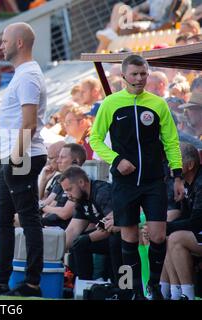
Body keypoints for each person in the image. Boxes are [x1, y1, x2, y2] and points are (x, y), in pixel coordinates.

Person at [89, 54, 185, 300]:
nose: (140, 78)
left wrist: (177, 175)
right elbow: (95, 140)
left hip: (154, 180)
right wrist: (117, 160)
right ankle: (132, 291)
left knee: (158, 235)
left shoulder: (158, 104)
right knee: (129, 237)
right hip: (124, 183)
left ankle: (153, 285)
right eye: (134, 74)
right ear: (123, 76)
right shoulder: (110, 103)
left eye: (143, 74)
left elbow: (172, 141)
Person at [0, 22, 47, 297]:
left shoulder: (28, 76)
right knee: (2, 218)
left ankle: (32, 283)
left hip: (23, 157)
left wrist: (15, 158)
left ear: (19, 43)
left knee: (28, 220)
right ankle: (2, 280)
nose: (0, 46)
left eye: (4, 41)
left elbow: (29, 124)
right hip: (14, 157)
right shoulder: (22, 75)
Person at [60, 166, 123, 285]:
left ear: (81, 182)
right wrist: (55, 255)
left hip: (120, 234)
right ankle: (83, 285)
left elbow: (111, 223)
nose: (68, 195)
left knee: (112, 240)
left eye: (69, 189)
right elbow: (72, 231)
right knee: (77, 243)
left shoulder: (101, 191)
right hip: (105, 234)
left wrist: (88, 238)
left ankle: (118, 287)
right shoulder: (81, 199)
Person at [160, 142, 202, 300]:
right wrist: (164, 229)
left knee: (175, 238)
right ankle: (168, 293)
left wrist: (166, 227)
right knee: (167, 238)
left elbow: (196, 222)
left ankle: (187, 295)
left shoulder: (200, 183)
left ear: (190, 165)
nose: (172, 165)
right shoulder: (187, 183)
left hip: (199, 229)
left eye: (176, 161)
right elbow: (187, 217)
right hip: (198, 231)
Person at [40, 143, 87, 229]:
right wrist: (43, 181)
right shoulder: (60, 178)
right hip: (50, 222)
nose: (58, 161)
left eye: (62, 157)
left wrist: (42, 207)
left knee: (14, 219)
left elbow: (65, 213)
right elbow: (45, 201)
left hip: (60, 227)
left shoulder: (79, 181)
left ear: (75, 161)